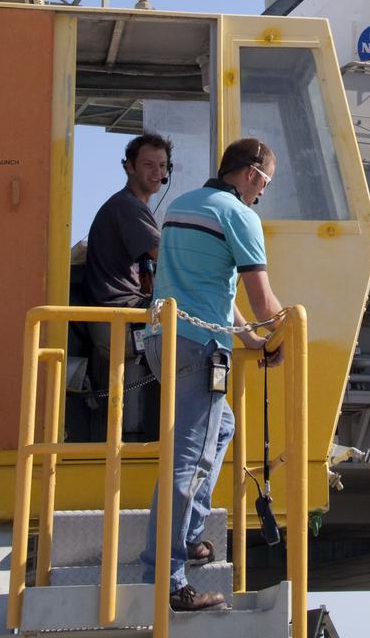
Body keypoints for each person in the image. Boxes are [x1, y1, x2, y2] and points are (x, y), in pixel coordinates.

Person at [140, 137, 284, 613]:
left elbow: (208, 293)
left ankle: (193, 533)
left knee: (221, 428)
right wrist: (285, 336)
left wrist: (250, 341)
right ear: (249, 174)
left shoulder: (183, 205)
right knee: (187, 463)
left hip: (163, 341)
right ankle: (167, 578)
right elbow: (264, 303)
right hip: (200, 350)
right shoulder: (240, 215)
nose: (262, 193)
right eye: (264, 182)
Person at [84, 132, 172, 439]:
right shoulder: (128, 207)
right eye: (148, 164)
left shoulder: (133, 206)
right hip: (119, 314)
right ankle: (140, 436)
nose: (157, 172)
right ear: (129, 167)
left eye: (162, 165)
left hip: (120, 311)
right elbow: (168, 259)